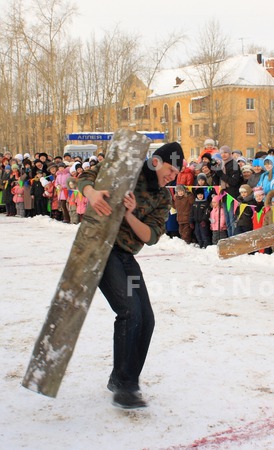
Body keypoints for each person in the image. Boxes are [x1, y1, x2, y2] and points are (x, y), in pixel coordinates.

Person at [77, 141, 184, 409]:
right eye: (170, 170)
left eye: (176, 174)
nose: (172, 177)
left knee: (146, 318)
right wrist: (91, 194)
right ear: (157, 161)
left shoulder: (163, 197)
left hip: (126, 257)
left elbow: (151, 236)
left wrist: (130, 214)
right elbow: (86, 176)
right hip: (101, 251)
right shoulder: (128, 170)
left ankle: (124, 380)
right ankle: (124, 386)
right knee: (129, 311)